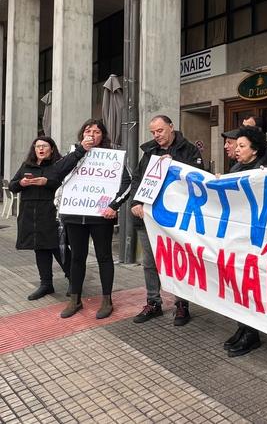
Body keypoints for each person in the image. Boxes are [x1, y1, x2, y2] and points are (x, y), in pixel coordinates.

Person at [130, 115, 204, 326]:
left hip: (176, 220)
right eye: (153, 132)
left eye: (160, 131)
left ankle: (182, 305)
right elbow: (138, 179)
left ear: (171, 127)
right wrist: (136, 202)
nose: (156, 136)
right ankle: (153, 302)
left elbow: (199, 178)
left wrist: (174, 166)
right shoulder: (149, 152)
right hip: (149, 216)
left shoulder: (189, 150)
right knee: (150, 263)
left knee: (178, 262)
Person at [56, 119, 132, 319]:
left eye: (96, 132)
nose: (92, 134)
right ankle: (75, 299)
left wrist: (114, 206)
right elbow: (57, 173)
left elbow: (127, 182)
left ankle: (107, 300)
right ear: (82, 134)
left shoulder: (112, 157)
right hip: (74, 215)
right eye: (88, 131)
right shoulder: (73, 154)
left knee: (104, 257)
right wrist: (79, 151)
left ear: (102, 136)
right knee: (77, 258)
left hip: (100, 216)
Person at [223, 126, 267, 357]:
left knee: (251, 287)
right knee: (238, 286)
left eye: (242, 146)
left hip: (254, 240)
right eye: (238, 145)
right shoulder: (235, 168)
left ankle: (252, 334)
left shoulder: (262, 172)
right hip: (236, 237)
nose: (237, 149)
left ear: (254, 151)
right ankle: (241, 328)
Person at [9, 136, 68, 300]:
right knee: (40, 248)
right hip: (30, 214)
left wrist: (46, 182)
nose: (40, 149)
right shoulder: (26, 166)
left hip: (51, 213)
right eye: (37, 146)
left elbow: (65, 186)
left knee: (58, 248)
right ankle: (46, 284)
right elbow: (12, 187)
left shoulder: (58, 166)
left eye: (44, 146)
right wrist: (21, 183)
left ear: (52, 149)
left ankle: (73, 280)